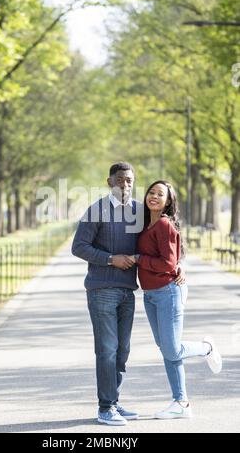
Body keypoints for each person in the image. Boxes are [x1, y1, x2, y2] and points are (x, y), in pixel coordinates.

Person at [71, 163, 185, 426]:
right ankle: (105, 407)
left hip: (128, 290)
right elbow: (79, 247)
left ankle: (115, 401)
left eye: (130, 181)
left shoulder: (139, 211)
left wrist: (177, 264)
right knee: (107, 350)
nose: (125, 185)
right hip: (101, 289)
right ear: (109, 181)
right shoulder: (96, 210)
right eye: (120, 180)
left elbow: (161, 241)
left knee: (122, 351)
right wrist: (111, 259)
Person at [132, 180, 222, 419]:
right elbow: (174, 258)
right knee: (167, 349)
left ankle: (207, 348)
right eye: (151, 192)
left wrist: (139, 259)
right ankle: (181, 402)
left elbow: (168, 264)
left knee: (172, 349)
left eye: (160, 194)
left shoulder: (163, 224)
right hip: (151, 295)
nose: (153, 196)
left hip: (168, 292)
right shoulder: (145, 223)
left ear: (168, 201)